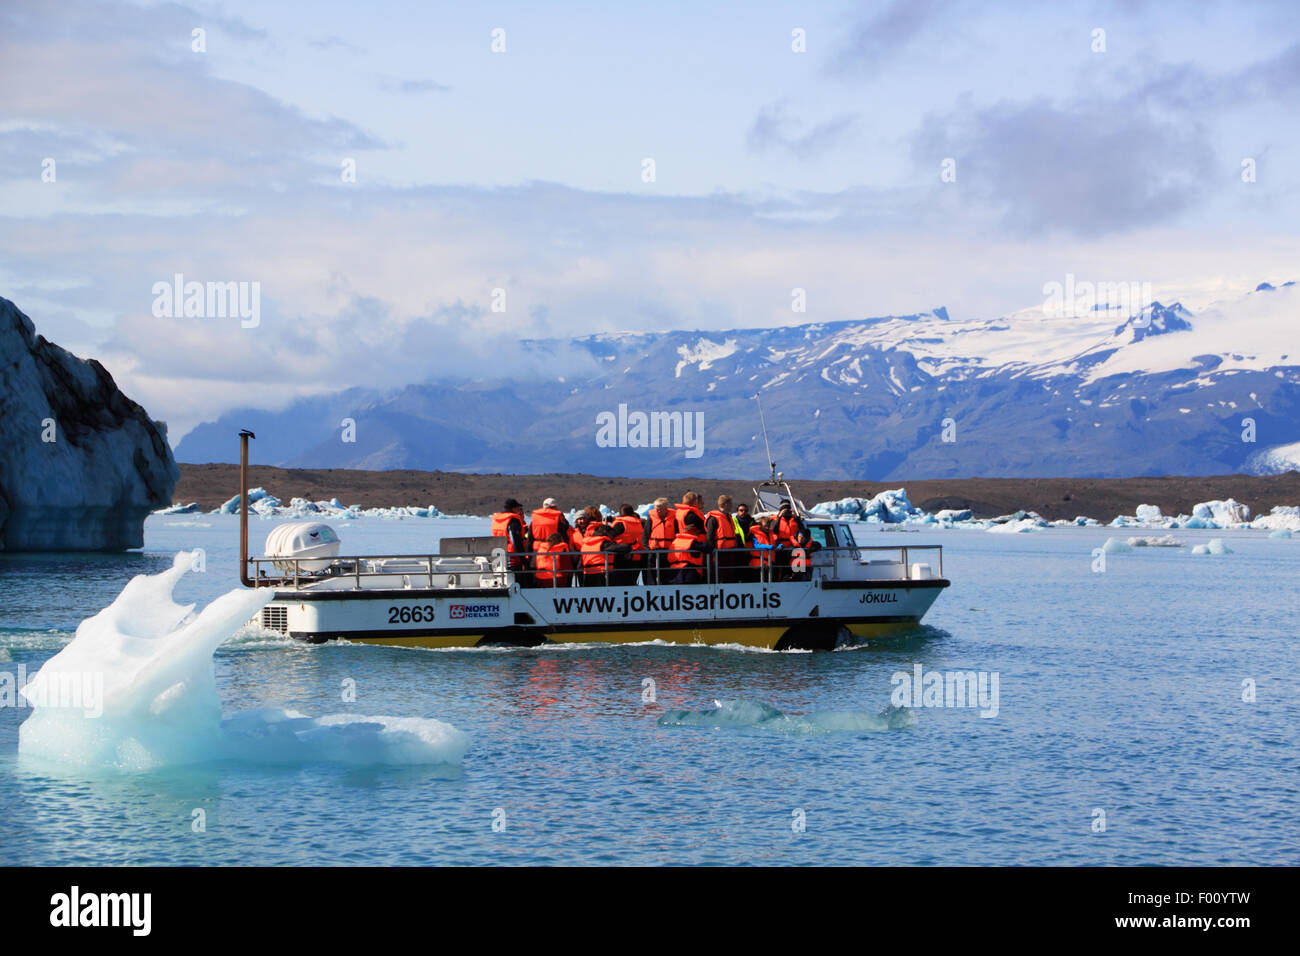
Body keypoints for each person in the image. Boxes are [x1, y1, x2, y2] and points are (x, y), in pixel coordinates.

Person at [580, 522, 633, 586]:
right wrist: (629, 547)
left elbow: (580, 564)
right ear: (605, 532)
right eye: (612, 534)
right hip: (602, 575)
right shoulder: (603, 542)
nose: (612, 537)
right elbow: (621, 548)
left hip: (587, 575)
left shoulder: (585, 544)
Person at [705, 494, 743, 583]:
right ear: (725, 504)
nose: (731, 506)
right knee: (718, 575)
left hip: (730, 552)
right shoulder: (713, 518)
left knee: (729, 576)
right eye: (730, 504)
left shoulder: (729, 518)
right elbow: (710, 537)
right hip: (719, 553)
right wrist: (713, 551)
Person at [674, 492, 711, 581]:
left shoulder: (679, 513)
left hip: (681, 545)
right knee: (696, 569)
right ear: (694, 502)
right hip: (694, 545)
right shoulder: (691, 515)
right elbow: (704, 528)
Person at [667, 510, 711, 585]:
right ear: (694, 532)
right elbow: (708, 548)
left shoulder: (675, 541)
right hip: (689, 574)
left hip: (674, 573)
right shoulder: (692, 542)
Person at [490, 498, 530, 578]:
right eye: (517, 508)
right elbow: (516, 541)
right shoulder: (513, 521)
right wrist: (523, 561)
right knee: (519, 582)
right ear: (513, 508)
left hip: (499, 556)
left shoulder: (497, 520)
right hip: (513, 559)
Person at [644, 497, 677, 585]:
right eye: (656, 509)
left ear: (666, 508)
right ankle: (651, 590)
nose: (657, 511)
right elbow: (645, 536)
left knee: (667, 574)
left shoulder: (674, 518)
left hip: (669, 551)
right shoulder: (651, 519)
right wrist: (648, 549)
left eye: (660, 509)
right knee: (652, 574)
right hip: (654, 551)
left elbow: (677, 533)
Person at [612, 504, 645, 585]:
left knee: (619, 583)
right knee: (631, 582)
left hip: (620, 557)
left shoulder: (620, 524)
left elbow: (610, 537)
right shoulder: (639, 523)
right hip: (636, 557)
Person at [749, 516, 777, 582]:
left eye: (768, 526)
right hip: (758, 564)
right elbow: (756, 545)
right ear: (760, 525)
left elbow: (775, 544)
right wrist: (769, 547)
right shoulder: (754, 534)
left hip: (769, 563)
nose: (767, 528)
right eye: (765, 526)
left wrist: (780, 546)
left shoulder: (771, 534)